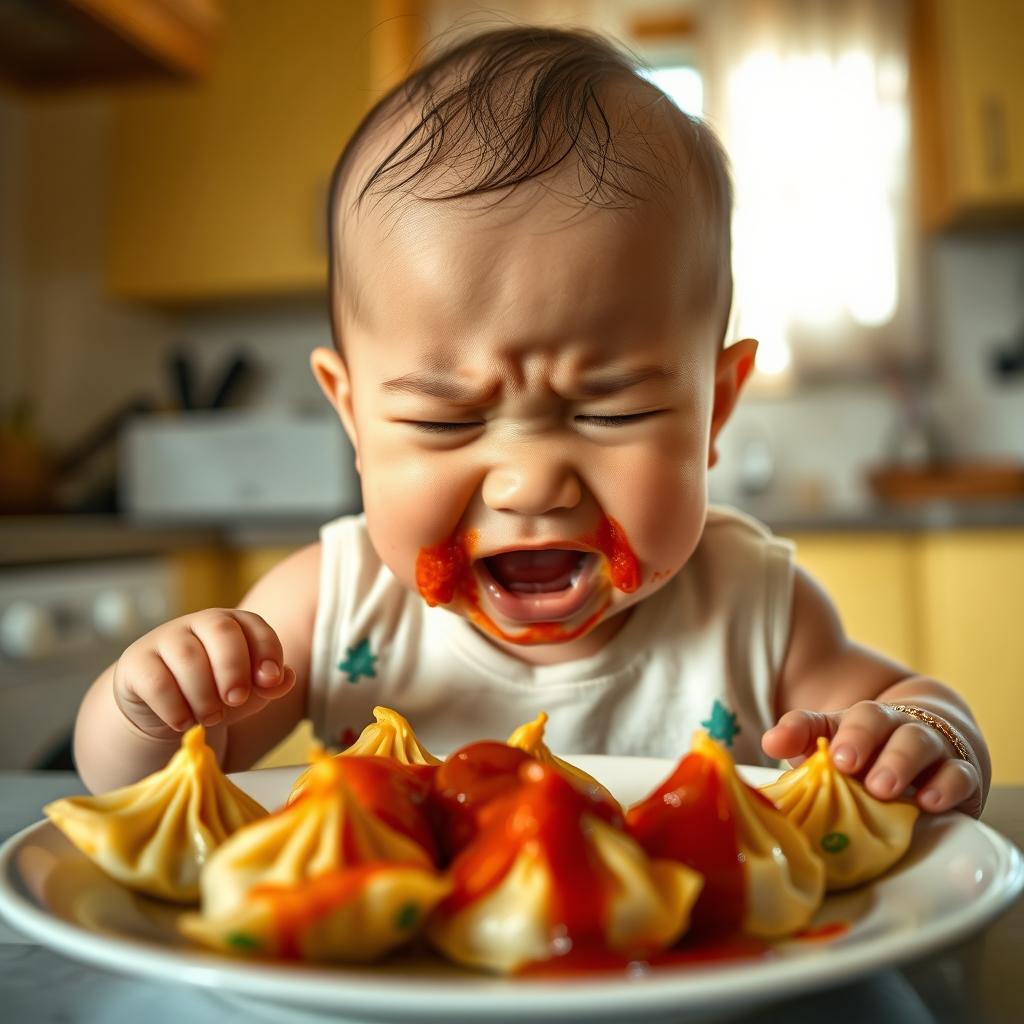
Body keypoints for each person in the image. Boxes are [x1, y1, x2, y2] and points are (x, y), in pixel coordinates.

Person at [74, 26, 989, 817]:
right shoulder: (333, 604)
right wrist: (147, 708)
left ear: (718, 406)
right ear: (353, 416)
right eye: (443, 422)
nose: (530, 483)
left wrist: (918, 737)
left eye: (611, 409)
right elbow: (149, 788)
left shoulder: (753, 608)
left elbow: (920, 707)